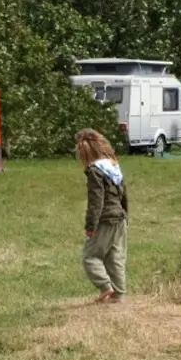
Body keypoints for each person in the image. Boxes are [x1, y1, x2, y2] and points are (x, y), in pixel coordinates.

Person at [76, 128, 129, 303]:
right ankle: (118, 294)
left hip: (105, 219)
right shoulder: (113, 166)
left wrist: (91, 225)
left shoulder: (95, 170)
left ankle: (105, 287)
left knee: (90, 256)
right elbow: (124, 194)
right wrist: (126, 216)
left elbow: (96, 201)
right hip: (120, 218)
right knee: (115, 257)